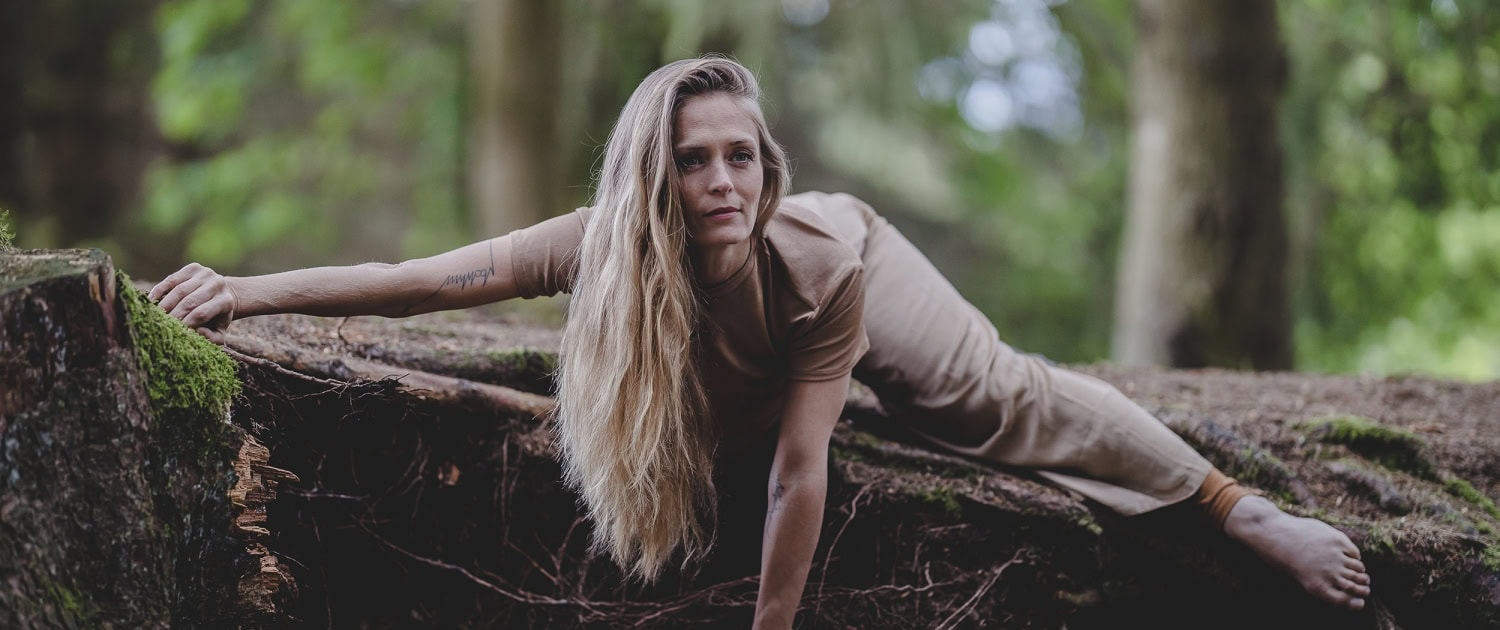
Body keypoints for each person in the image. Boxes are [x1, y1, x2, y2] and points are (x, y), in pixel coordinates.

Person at [150, 56, 1371, 628]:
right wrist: (248, 293)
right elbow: (416, 282)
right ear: (654, 177)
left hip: (860, 287)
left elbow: (802, 470)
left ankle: (1234, 506)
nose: (724, 179)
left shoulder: (816, 256)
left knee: (985, 397)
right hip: (737, 342)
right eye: (695, 160)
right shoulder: (595, 244)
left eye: (742, 154)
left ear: (766, 162)